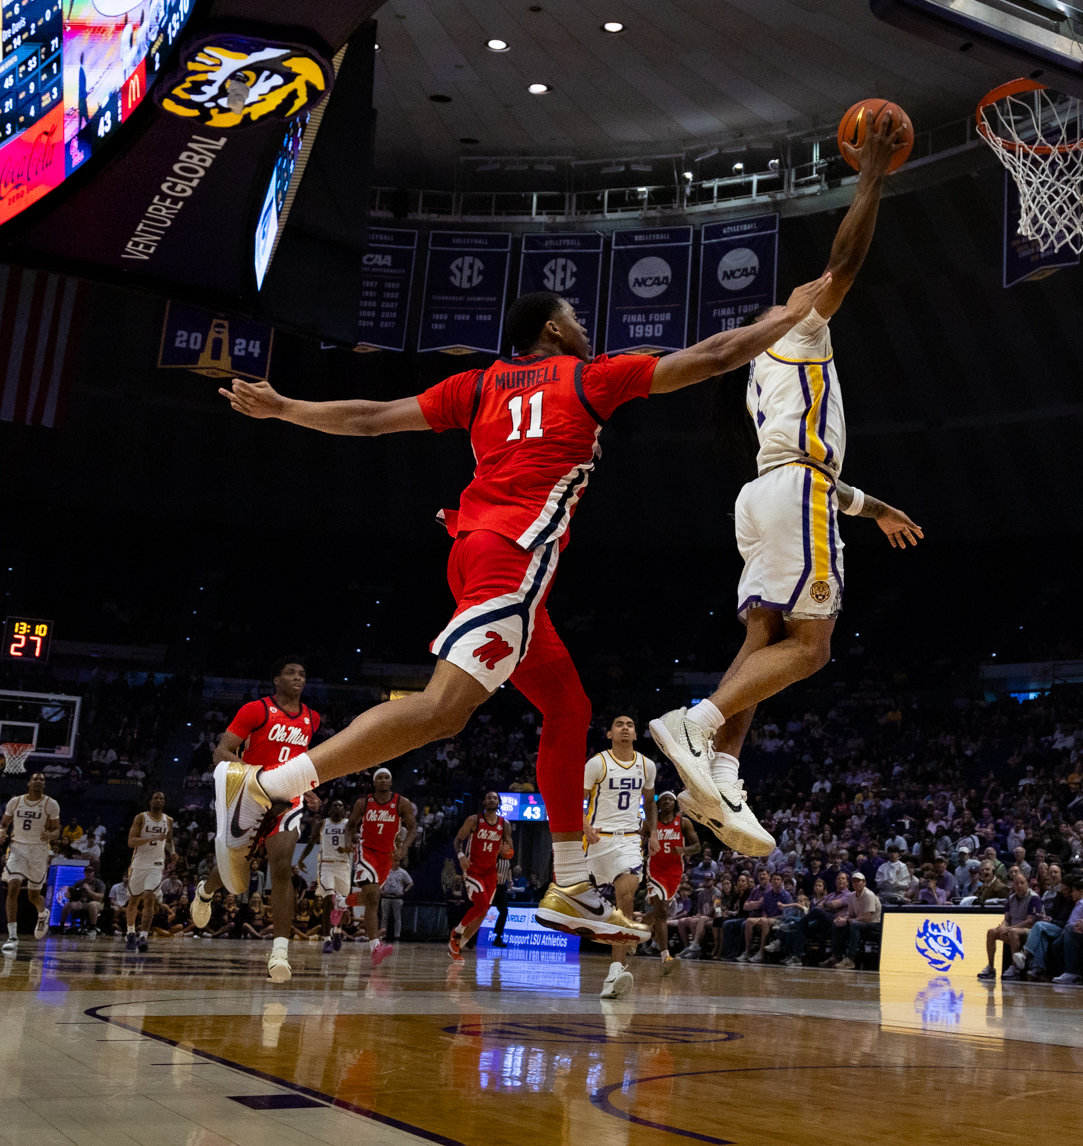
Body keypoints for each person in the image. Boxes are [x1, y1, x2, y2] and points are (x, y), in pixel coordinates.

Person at [215, 275, 832, 942]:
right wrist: (791, 317)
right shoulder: (588, 377)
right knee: (443, 710)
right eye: (578, 319)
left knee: (569, 707)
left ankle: (569, 881)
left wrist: (285, 408)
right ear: (554, 331)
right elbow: (712, 356)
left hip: (474, 551)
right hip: (512, 558)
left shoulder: (476, 385)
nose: (587, 329)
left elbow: (368, 418)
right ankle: (268, 784)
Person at [649, 109, 922, 856]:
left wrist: (875, 507)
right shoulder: (796, 328)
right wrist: (869, 176)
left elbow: (818, 474)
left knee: (765, 640)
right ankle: (695, 724)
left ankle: (724, 772)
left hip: (771, 494)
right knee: (813, 648)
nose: (803, 294)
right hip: (794, 492)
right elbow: (845, 264)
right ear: (776, 318)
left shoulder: (760, 373)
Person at [188, 659, 323, 984]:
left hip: (288, 801)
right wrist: (260, 776)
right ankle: (206, 892)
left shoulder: (312, 718)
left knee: (281, 868)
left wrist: (310, 789)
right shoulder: (255, 710)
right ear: (276, 679)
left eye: (302, 674)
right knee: (236, 868)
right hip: (250, 794)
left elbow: (300, 761)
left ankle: (279, 952)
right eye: (291, 673)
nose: (297, 678)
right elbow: (221, 752)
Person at [584, 714, 656, 1000]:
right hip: (597, 840)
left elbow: (649, 801)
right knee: (590, 909)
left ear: (636, 735)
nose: (625, 729)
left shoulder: (646, 765)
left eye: (630, 726)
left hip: (628, 839)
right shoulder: (596, 763)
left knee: (625, 893)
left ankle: (615, 970)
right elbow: (576, 797)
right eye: (619, 725)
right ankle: (622, 935)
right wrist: (584, 825)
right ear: (609, 733)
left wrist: (654, 832)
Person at [353, 769, 418, 966]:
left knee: (369, 896)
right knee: (374, 896)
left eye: (386, 777)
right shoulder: (363, 802)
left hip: (387, 855)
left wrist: (403, 849)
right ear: (374, 782)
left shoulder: (401, 803)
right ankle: (375, 947)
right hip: (366, 851)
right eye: (379, 778)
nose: (383, 780)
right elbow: (350, 825)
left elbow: (413, 827)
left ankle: (340, 903)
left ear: (391, 782)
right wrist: (350, 838)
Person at [0, 771, 60, 951]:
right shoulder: (15, 802)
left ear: (44, 785)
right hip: (18, 848)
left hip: (39, 850)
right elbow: (3, 824)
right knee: (13, 886)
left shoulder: (51, 804)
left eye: (42, 779)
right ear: (29, 783)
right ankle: (12, 936)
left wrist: (50, 835)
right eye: (35, 779)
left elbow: (56, 830)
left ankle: (42, 914)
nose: (38, 781)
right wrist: (0, 833)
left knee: (33, 896)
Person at [449, 791, 513, 961]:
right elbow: (457, 841)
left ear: (499, 803)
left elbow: (510, 852)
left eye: (495, 798)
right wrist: (461, 857)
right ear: (484, 802)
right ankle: (457, 931)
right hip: (472, 869)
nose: (492, 800)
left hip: (490, 872)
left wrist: (506, 852)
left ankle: (457, 947)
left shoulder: (504, 824)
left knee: (483, 912)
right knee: (482, 904)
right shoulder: (474, 820)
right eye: (489, 797)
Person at [643, 792, 695, 972]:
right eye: (663, 799)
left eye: (670, 799)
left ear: (674, 803)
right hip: (655, 870)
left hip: (675, 872)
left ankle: (635, 931)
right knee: (663, 912)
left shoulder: (683, 822)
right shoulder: (651, 823)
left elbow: (697, 846)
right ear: (659, 803)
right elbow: (635, 838)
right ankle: (665, 957)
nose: (666, 802)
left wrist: (683, 849)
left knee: (658, 914)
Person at [123, 790, 171, 952]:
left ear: (164, 802)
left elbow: (169, 840)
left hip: (156, 864)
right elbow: (131, 842)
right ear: (150, 801)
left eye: (161, 798)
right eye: (156, 797)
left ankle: (143, 936)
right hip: (139, 863)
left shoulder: (168, 820)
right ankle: (130, 933)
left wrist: (174, 852)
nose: (158, 800)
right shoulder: (141, 818)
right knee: (134, 900)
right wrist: (151, 838)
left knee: (150, 898)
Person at [977, 869, 1045, 981]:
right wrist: (1003, 927)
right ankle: (990, 967)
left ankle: (1015, 968)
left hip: (1030, 931)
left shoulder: (1034, 898)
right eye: (1017, 883)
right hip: (1012, 928)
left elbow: (1030, 922)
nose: (1019, 885)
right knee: (991, 932)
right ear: (1013, 885)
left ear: (1027, 884)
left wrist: (1008, 928)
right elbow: (1007, 918)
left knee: (1013, 932)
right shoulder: (1011, 898)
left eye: (1022, 883)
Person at [313, 797, 355, 952]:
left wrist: (350, 847)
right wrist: (302, 858)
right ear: (330, 809)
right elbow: (311, 841)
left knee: (343, 904)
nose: (338, 808)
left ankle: (337, 931)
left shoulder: (349, 824)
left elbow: (354, 842)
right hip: (326, 865)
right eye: (335, 805)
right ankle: (327, 939)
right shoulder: (323, 823)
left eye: (340, 805)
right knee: (328, 901)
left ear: (344, 810)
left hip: (343, 866)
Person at [379, 863, 413, 943]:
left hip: (397, 897)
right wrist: (381, 891)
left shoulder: (402, 872)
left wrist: (404, 891)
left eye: (398, 861)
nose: (396, 863)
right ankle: (383, 934)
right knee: (384, 917)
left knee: (397, 917)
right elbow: (379, 881)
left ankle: (397, 935)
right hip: (386, 896)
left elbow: (410, 883)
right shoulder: (386, 870)